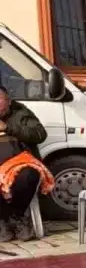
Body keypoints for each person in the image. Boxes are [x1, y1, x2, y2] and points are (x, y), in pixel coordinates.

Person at [0, 85, 51, 241]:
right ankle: (4, 220)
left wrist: (8, 128)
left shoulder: (21, 113)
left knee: (29, 176)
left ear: (8, 101)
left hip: (20, 163)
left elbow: (40, 134)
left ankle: (17, 216)